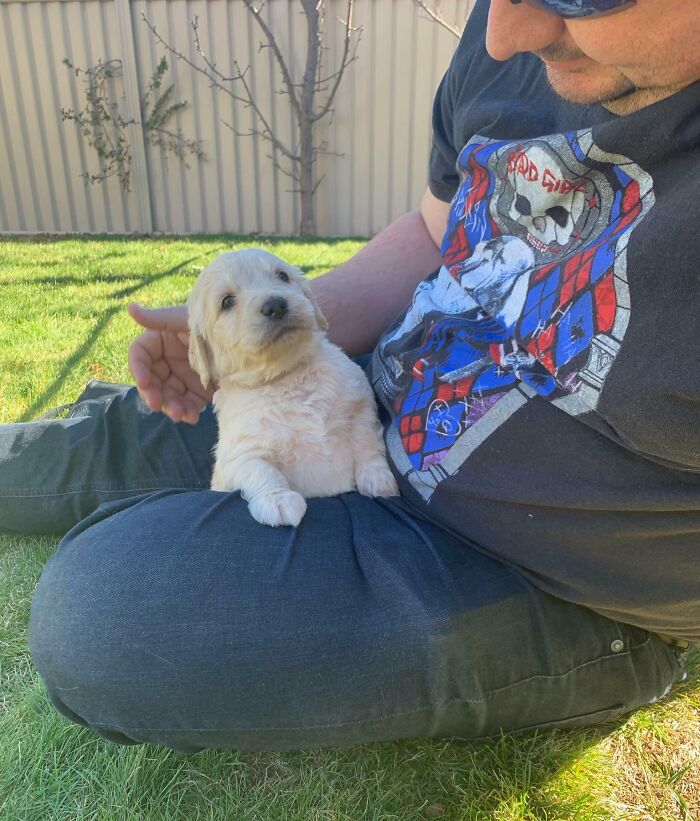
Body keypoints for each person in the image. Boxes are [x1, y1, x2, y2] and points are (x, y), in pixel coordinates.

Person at [4, 0, 698, 753]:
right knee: (110, 435)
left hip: (512, 560)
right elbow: (434, 230)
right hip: (358, 384)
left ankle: (614, 660)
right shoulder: (506, 27)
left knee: (100, 611)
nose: (504, 33)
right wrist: (277, 327)